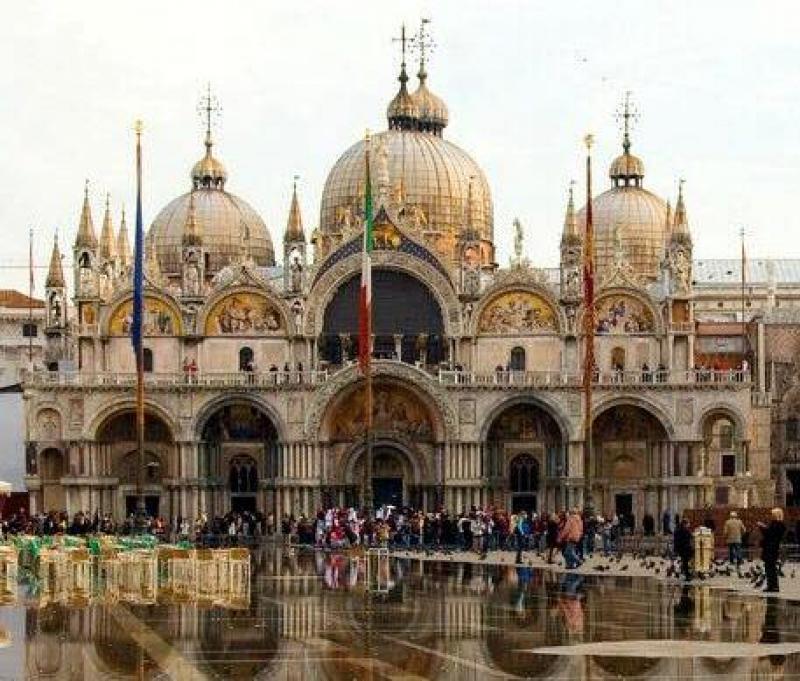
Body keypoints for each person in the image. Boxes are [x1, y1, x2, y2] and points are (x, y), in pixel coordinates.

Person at [759, 508, 786, 593]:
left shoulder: (777, 525)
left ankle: (772, 586)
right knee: (769, 567)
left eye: (772, 514)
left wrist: (762, 528)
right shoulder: (778, 525)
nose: (771, 516)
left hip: (771, 548)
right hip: (772, 548)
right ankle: (772, 585)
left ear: (776, 515)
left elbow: (770, 535)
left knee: (770, 568)